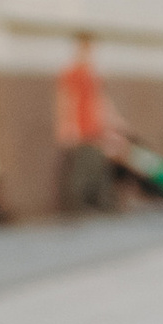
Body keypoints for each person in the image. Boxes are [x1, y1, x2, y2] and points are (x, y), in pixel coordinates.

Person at [55, 34, 117, 213]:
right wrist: (68, 126)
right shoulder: (72, 73)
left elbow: (99, 100)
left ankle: (98, 202)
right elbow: (67, 99)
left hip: (95, 127)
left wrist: (108, 122)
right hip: (81, 127)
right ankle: (75, 205)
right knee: (80, 168)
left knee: (96, 164)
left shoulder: (93, 74)